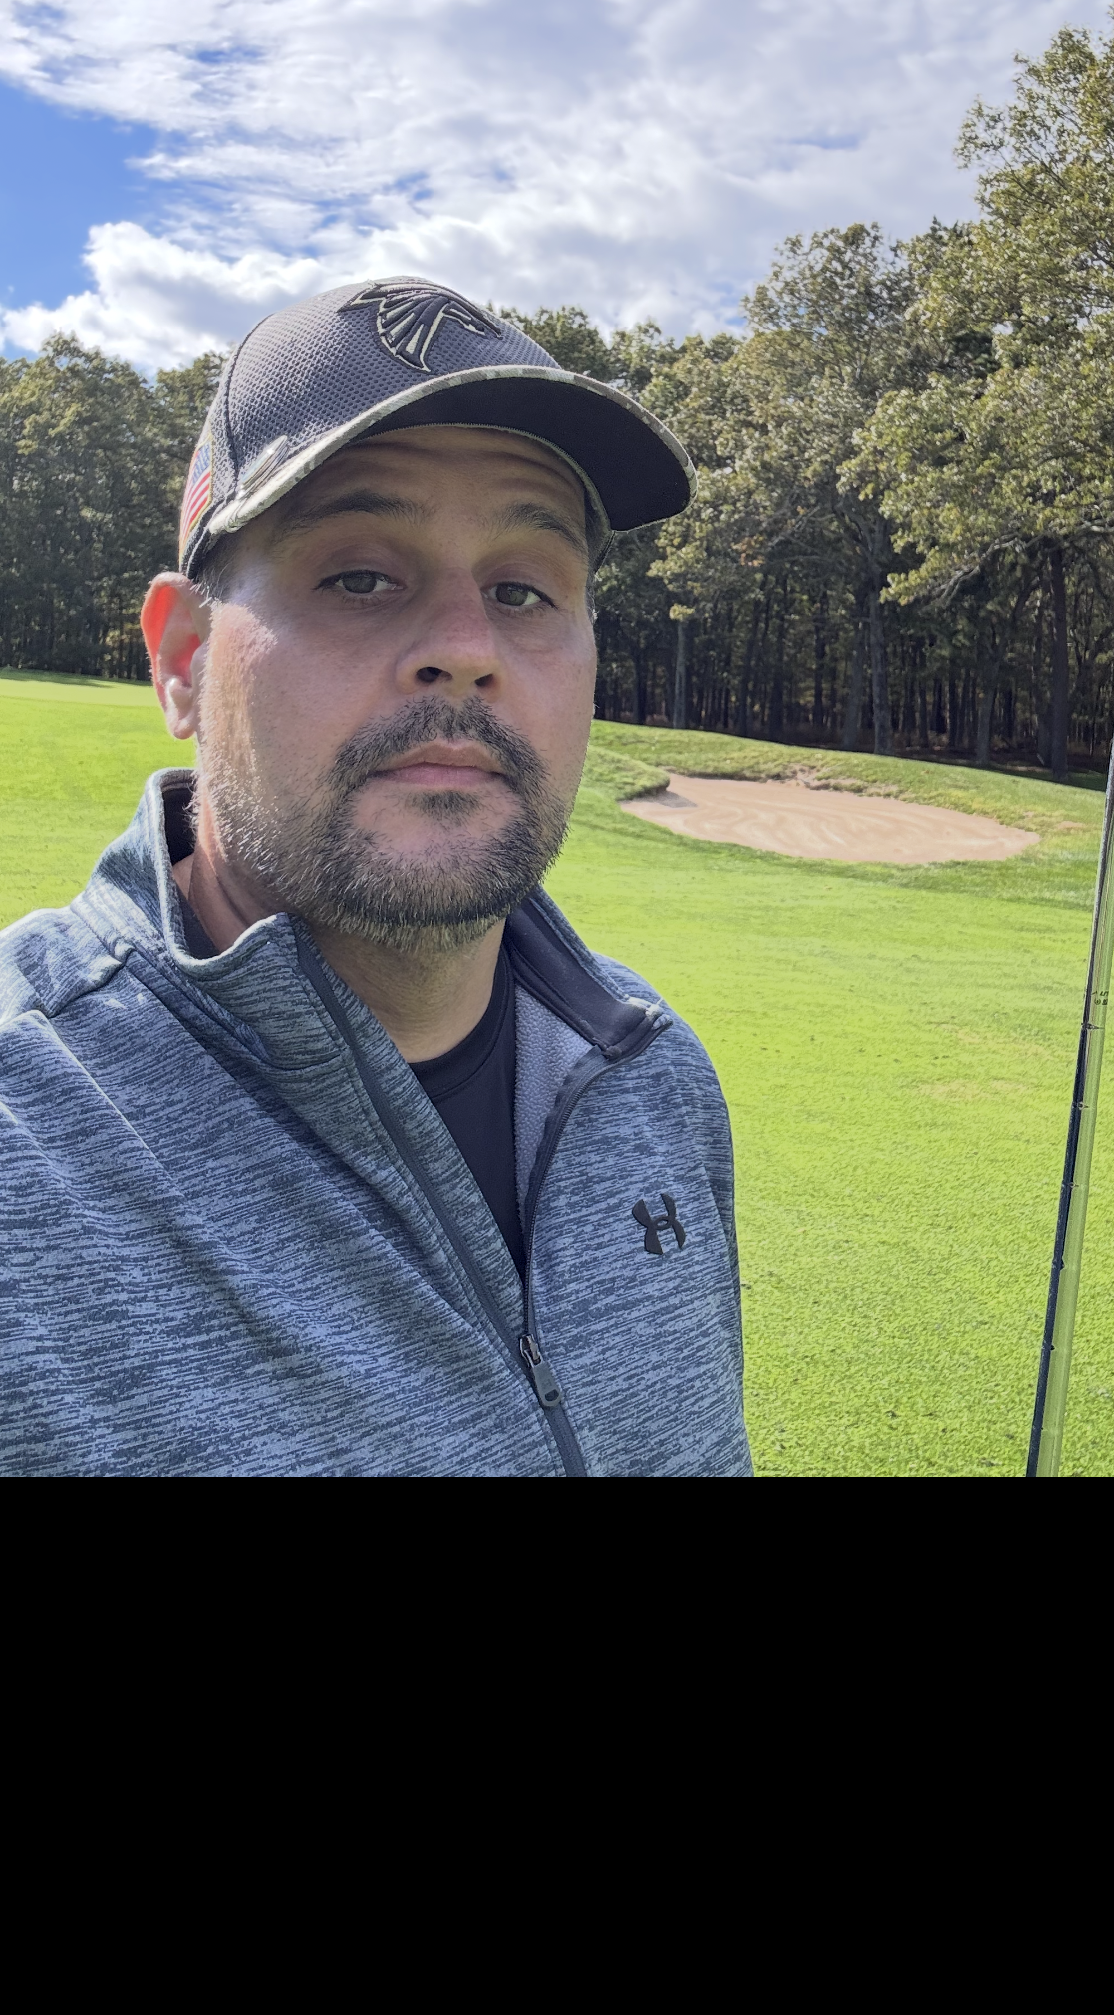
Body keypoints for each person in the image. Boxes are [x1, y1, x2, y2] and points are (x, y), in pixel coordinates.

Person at [0, 281, 751, 1476]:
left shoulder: (654, 1075)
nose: (466, 645)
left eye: (524, 589)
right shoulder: (24, 1135)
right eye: (358, 575)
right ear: (184, 659)